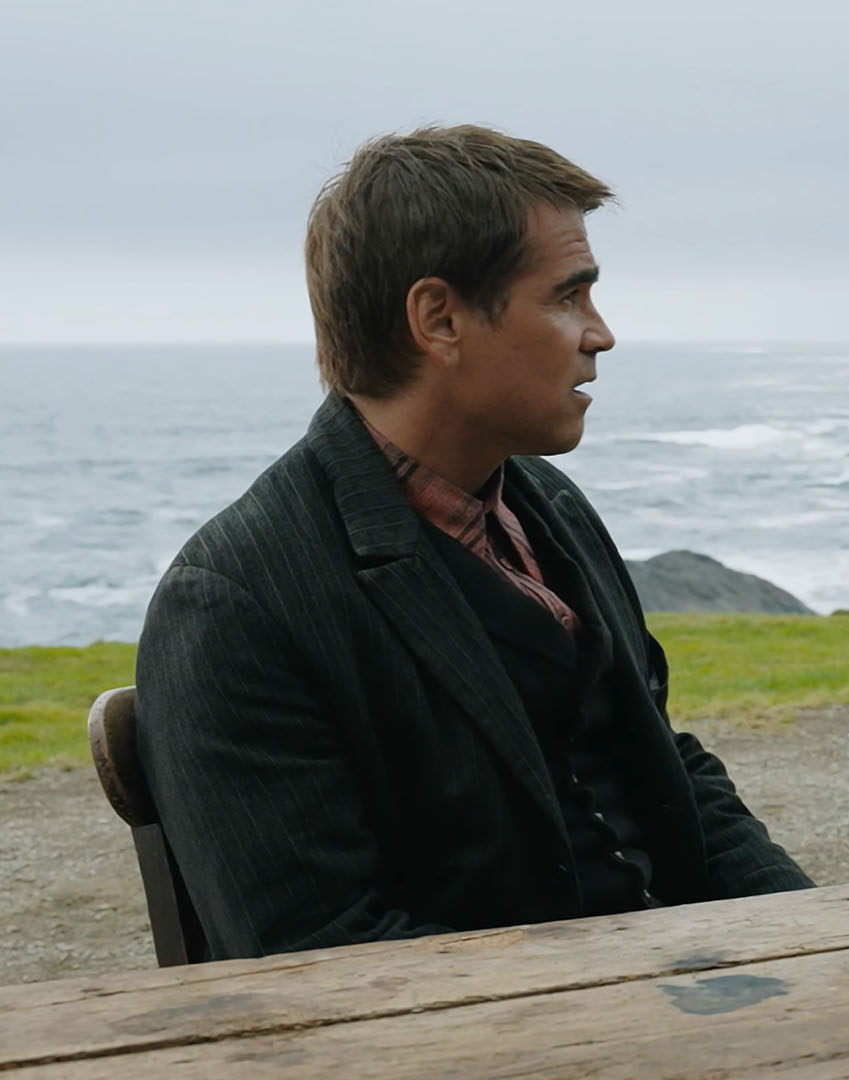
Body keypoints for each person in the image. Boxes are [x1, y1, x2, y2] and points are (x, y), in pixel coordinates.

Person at [135, 126, 814, 961]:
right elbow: (318, 955)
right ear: (440, 319)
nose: (600, 334)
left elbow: (666, 773)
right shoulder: (235, 606)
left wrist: (816, 937)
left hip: (681, 984)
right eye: (568, 297)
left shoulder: (548, 505)